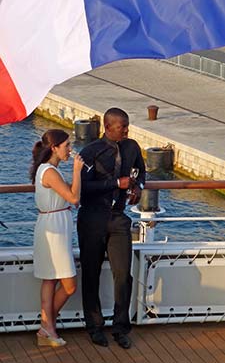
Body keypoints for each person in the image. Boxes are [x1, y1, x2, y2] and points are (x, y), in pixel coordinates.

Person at [77, 107, 145, 349]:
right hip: (92, 218)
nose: (127, 130)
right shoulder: (90, 152)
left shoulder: (132, 147)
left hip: (118, 218)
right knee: (91, 273)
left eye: (127, 126)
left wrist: (138, 188)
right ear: (108, 127)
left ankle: (120, 326)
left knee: (123, 274)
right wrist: (116, 183)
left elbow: (141, 173)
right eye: (122, 127)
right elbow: (83, 188)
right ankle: (94, 327)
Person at [30, 129, 84, 347]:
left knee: (50, 279)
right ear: (54, 148)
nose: (69, 150)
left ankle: (47, 328)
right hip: (53, 229)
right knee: (69, 284)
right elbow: (73, 198)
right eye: (66, 146)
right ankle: (47, 325)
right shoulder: (50, 172)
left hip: (54, 226)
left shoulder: (48, 170)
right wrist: (77, 170)